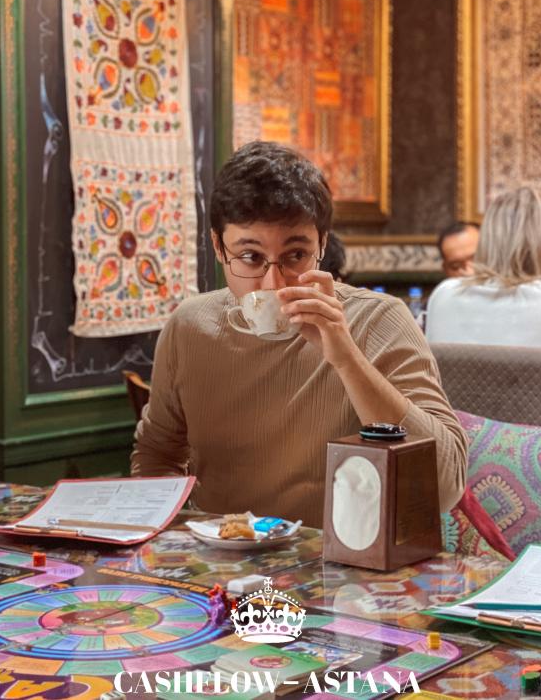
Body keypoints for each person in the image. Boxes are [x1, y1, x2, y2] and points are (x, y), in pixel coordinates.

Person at [131, 141, 467, 526]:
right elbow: (157, 454)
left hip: (338, 559)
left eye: (295, 256)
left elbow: (445, 487)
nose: (273, 284)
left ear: (321, 244)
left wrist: (346, 358)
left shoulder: (379, 319)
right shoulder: (189, 327)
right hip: (220, 554)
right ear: (219, 248)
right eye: (250, 257)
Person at [426, 187, 541, 346]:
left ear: (485, 242)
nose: (469, 269)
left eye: (473, 258)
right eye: (456, 265)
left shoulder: (444, 295)